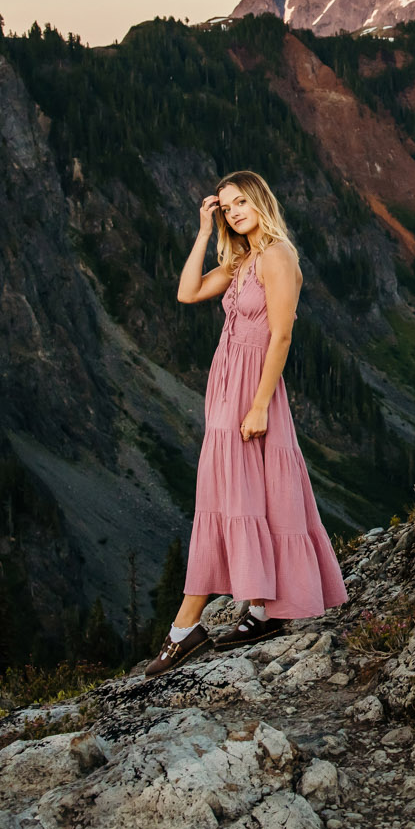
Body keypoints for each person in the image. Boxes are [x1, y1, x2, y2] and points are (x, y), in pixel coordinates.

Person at [135, 171, 346, 677]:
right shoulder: (243, 259)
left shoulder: (277, 255)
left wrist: (257, 405)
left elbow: (280, 338)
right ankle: (259, 608)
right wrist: (205, 232)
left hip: (253, 390)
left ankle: (186, 629)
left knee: (238, 494)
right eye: (226, 206)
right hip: (225, 387)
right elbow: (187, 293)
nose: (233, 211)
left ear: (260, 200)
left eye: (239, 202)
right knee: (241, 494)